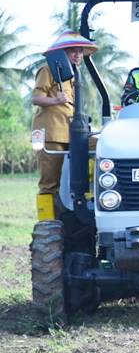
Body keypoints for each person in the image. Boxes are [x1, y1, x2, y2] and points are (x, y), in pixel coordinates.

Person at [32, 30, 98, 218]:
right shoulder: (48, 70)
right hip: (52, 135)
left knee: (102, 146)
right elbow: (36, 98)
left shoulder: (74, 75)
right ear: (62, 53)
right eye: (73, 51)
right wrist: (55, 100)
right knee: (50, 183)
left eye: (80, 51)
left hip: (74, 134)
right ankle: (47, 223)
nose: (78, 55)